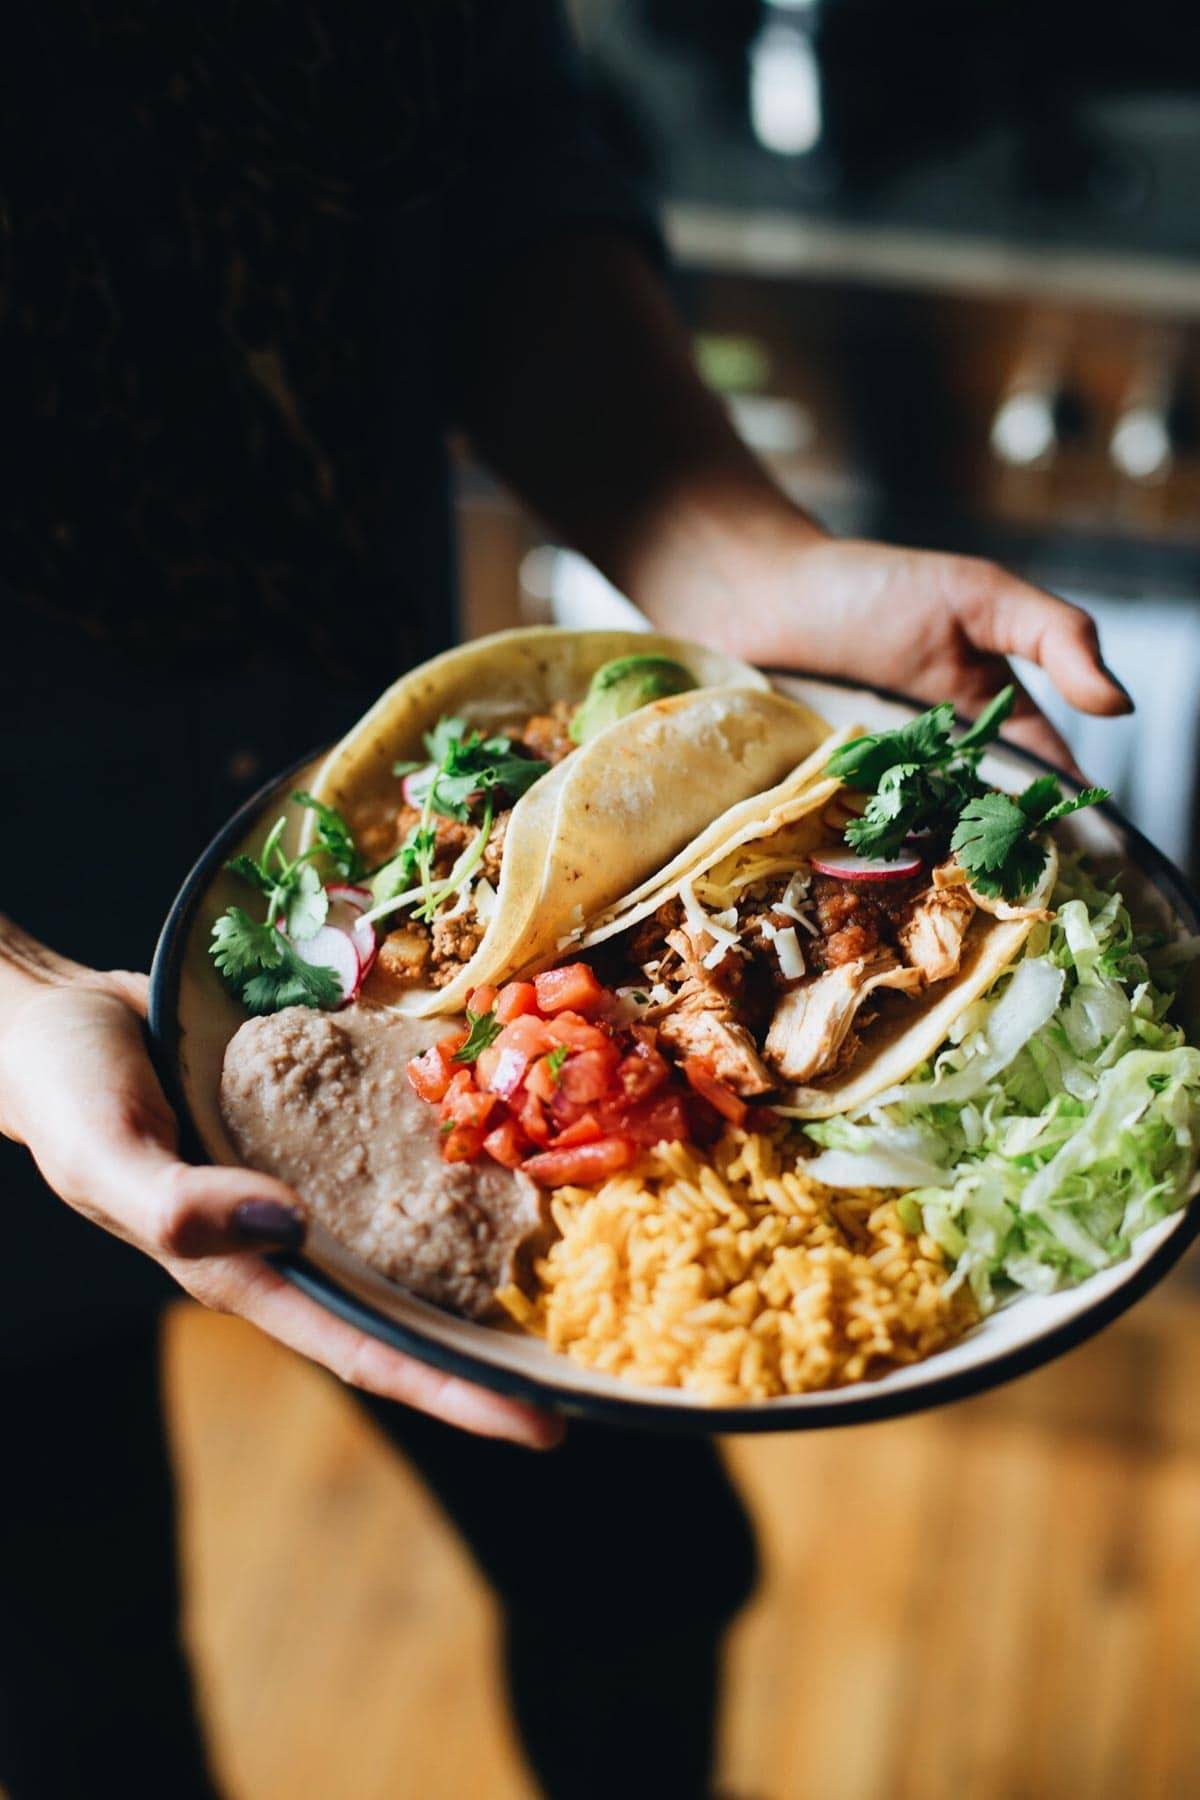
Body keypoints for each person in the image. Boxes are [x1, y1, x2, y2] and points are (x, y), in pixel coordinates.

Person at [0, 5, 1131, 1797]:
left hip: (374, 892)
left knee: (639, 1576)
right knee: (72, 1681)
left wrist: (744, 562)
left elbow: (483, 171)